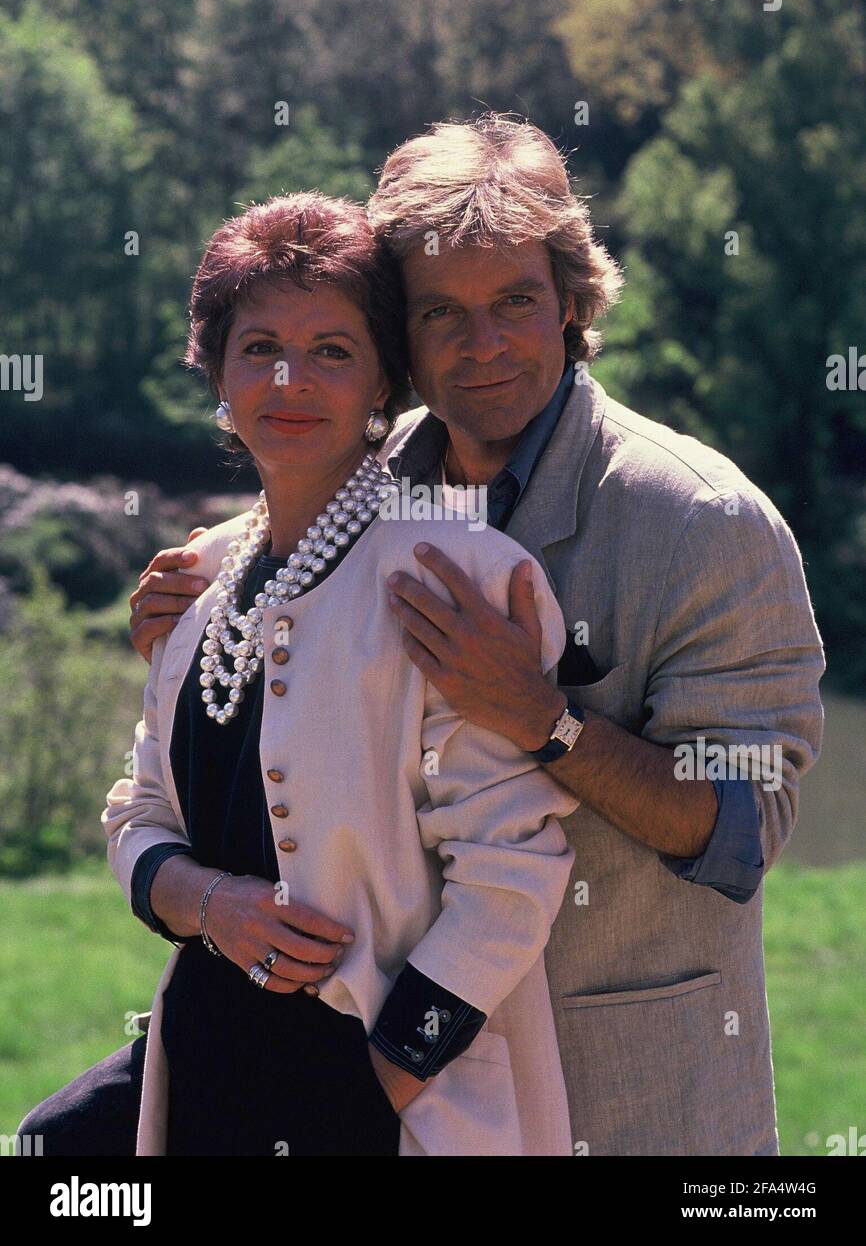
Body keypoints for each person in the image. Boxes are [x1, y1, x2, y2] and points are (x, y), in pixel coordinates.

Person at [130, 114, 826, 1156]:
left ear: (574, 302)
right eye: (437, 313)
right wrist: (190, 621)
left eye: (514, 302)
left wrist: (549, 723)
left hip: (630, 1097)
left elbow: (740, 829)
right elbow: (265, 569)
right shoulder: (371, 473)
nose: (482, 343)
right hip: (401, 1103)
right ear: (397, 339)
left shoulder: (699, 520)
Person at [17, 191, 577, 1158]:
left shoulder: (452, 573)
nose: (290, 379)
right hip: (209, 1061)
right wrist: (205, 903)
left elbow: (514, 871)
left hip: (384, 1093)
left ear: (382, 386)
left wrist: (382, 1079)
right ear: (217, 378)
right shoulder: (200, 577)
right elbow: (136, 812)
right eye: (258, 347)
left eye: (332, 351)